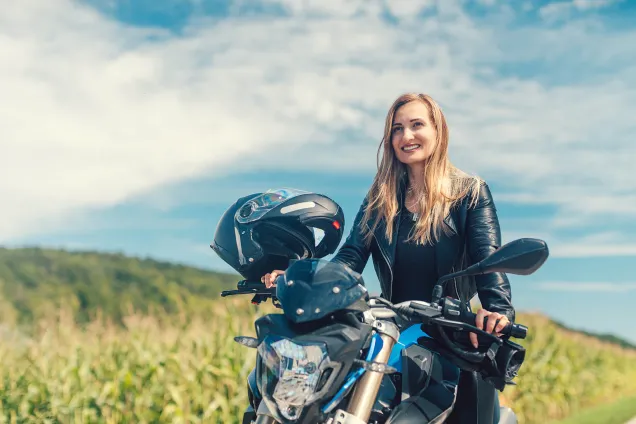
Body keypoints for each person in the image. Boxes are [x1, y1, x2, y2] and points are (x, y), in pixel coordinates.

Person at [261, 92, 513, 423]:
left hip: (449, 331)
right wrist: (306, 282)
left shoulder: (468, 192)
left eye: (416, 125)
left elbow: (488, 257)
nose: (406, 136)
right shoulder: (381, 198)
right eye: (397, 129)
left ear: (438, 130)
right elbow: (350, 257)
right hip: (389, 328)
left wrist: (497, 310)